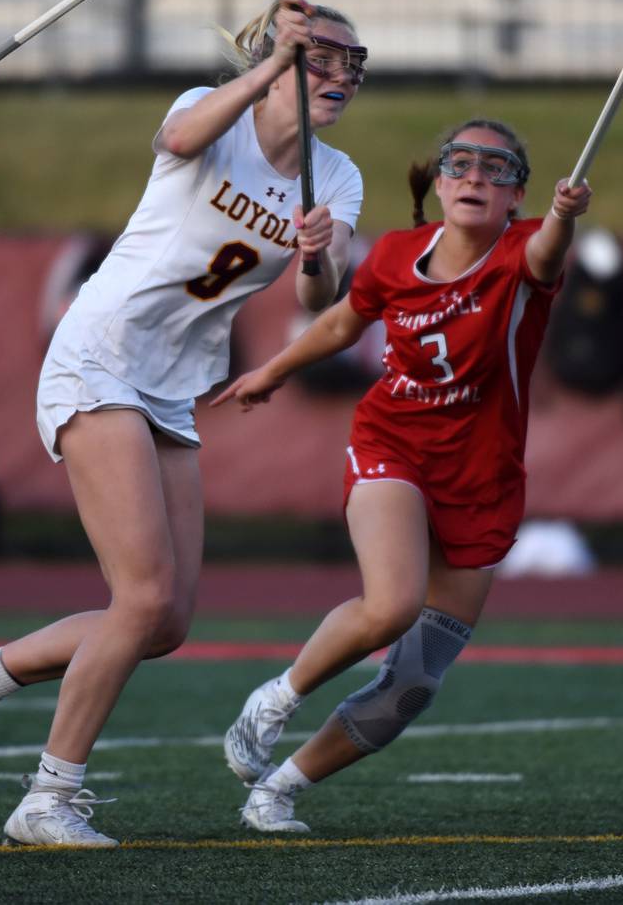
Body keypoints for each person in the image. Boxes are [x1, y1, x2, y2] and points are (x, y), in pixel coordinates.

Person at [0, 0, 367, 847]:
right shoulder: (207, 111)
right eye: (325, 56)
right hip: (101, 356)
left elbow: (319, 293)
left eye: (354, 62)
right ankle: (48, 797)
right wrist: (272, 64)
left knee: (164, 622)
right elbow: (178, 141)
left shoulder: (336, 173)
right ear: (276, 60)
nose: (342, 74)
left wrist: (320, 253)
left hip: (173, 385)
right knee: (143, 594)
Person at [210, 119, 591, 834]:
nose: (477, 176)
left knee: (414, 682)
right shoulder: (394, 254)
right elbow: (340, 324)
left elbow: (548, 251)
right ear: (440, 181)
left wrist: (565, 219)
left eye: (498, 169)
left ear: (517, 197)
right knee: (390, 604)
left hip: (481, 477)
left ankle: (281, 788)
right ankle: (274, 700)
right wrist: (271, 370)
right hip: (393, 445)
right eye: (463, 163)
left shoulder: (525, 250)